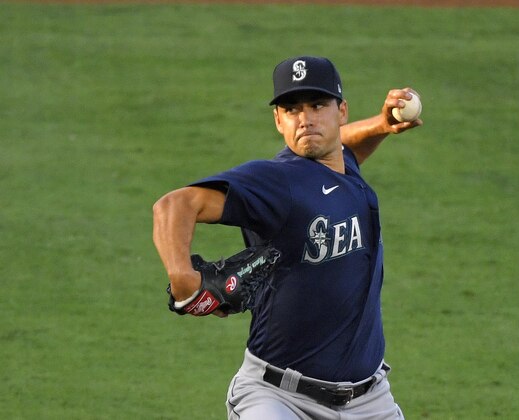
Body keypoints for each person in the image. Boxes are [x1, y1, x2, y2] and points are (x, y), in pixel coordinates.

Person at [153, 56, 422, 419]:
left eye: (317, 105)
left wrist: (380, 125)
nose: (306, 118)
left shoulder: (343, 169)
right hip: (278, 398)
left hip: (369, 402)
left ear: (341, 111)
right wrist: (182, 277)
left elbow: (345, 153)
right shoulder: (276, 181)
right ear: (279, 120)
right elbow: (174, 205)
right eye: (292, 109)